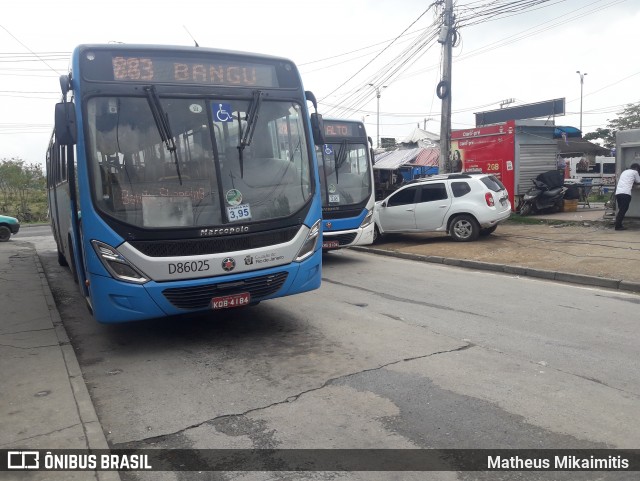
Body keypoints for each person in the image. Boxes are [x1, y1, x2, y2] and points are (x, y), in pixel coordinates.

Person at [614, 163, 640, 231]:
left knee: (621, 210)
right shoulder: (635, 172)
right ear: (637, 168)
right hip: (625, 193)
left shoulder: (624, 172)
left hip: (618, 193)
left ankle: (619, 224)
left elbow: (628, 181)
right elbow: (638, 181)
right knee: (623, 210)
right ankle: (618, 226)